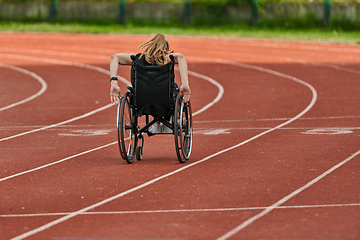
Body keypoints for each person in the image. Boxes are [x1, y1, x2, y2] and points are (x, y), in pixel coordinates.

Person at [109, 33, 191, 133]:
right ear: (165, 49)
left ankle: (156, 125)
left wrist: (114, 83)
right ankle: (167, 122)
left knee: (148, 90)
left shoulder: (137, 59)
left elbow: (114, 57)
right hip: (166, 101)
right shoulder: (167, 59)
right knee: (172, 88)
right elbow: (181, 57)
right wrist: (185, 85)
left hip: (141, 102)